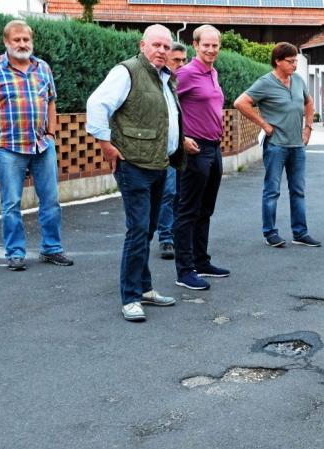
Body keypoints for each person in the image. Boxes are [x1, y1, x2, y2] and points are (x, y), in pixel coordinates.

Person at [86, 24, 185, 321]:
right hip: (134, 165)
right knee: (138, 230)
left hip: (159, 164)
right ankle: (130, 297)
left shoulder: (165, 78)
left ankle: (144, 288)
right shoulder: (127, 71)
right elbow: (96, 104)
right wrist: (106, 145)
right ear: (143, 45)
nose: (162, 51)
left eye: (166, 47)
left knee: (148, 230)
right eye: (156, 45)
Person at [0, 20, 74, 271]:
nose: (22, 44)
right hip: (8, 148)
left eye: (26, 39)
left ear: (31, 41)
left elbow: (51, 102)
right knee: (11, 204)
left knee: (51, 201)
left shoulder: (43, 68)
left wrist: (51, 134)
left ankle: (51, 249)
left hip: (42, 146)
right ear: (6, 42)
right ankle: (15, 253)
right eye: (16, 40)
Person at [234, 42, 320, 248]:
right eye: (290, 62)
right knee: (272, 190)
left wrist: (308, 128)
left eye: (296, 61)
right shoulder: (265, 83)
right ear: (277, 61)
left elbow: (308, 103)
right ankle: (270, 233)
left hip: (297, 146)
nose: (294, 65)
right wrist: (263, 124)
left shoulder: (298, 80)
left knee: (298, 190)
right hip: (276, 145)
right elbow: (240, 102)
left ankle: (300, 233)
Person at [172, 25, 229, 291]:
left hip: (213, 148)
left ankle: (201, 261)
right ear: (195, 45)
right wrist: (181, 139)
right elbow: (167, 107)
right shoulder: (185, 73)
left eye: (215, 45)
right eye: (206, 45)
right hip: (195, 150)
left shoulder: (213, 72)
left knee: (206, 210)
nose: (210, 50)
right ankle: (184, 271)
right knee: (188, 211)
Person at [155, 41, 188, 260]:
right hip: (161, 149)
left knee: (180, 194)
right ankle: (166, 238)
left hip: (181, 148)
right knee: (167, 193)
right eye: (176, 60)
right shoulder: (159, 82)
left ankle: (177, 236)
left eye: (184, 60)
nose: (181, 64)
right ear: (165, 60)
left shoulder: (180, 82)